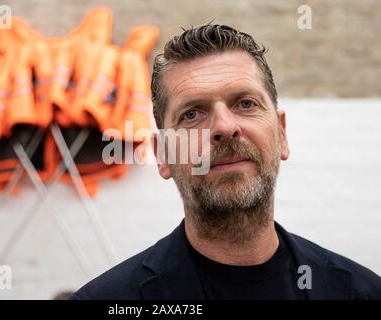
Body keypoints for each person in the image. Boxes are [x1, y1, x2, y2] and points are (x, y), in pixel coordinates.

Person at [70, 24, 381, 300]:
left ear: (282, 134)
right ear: (163, 154)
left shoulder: (362, 292)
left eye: (246, 103)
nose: (223, 127)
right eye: (192, 114)